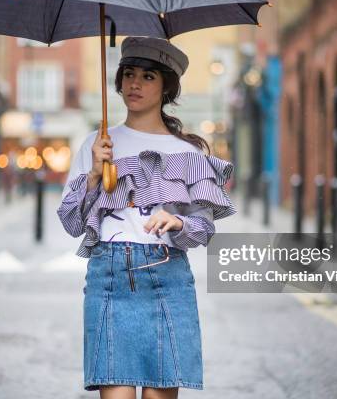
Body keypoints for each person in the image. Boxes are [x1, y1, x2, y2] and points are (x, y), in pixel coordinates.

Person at [57, 36, 236, 399]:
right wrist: (93, 173)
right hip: (109, 278)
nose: (135, 84)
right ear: (119, 81)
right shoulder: (98, 143)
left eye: (149, 76)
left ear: (167, 86)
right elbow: (72, 223)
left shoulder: (187, 152)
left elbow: (203, 228)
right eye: (129, 74)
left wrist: (179, 222)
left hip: (166, 276)